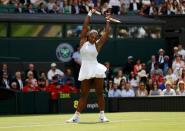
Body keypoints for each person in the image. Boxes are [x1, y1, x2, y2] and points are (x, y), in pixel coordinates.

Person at [66, 8, 111, 123]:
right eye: (92, 35)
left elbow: (106, 34)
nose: (94, 38)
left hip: (96, 69)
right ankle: (76, 117)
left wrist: (107, 20)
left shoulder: (97, 45)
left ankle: (102, 116)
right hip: (85, 70)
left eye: (96, 36)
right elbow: (85, 25)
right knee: (84, 94)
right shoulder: (82, 41)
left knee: (99, 93)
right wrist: (90, 13)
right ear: (88, 35)